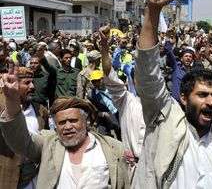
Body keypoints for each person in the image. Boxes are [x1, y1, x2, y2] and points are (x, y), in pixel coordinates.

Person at [132, 0, 212, 189]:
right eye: (202, 95)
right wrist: (153, 11)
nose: (210, 102)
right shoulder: (165, 122)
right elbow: (147, 71)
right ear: (183, 98)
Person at [0, 61, 130, 188]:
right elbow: (20, 140)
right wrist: (12, 101)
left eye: (73, 121)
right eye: (62, 123)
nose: (68, 127)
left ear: (86, 121)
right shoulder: (48, 144)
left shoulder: (112, 149)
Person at [99, 25, 146, 181]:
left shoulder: (164, 105)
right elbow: (108, 73)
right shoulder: (127, 101)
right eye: (140, 78)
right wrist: (104, 45)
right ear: (133, 81)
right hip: (131, 172)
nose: (145, 82)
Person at [0, 67, 49, 189]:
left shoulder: (41, 111)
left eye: (33, 82)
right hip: (7, 176)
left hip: (34, 178)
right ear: (14, 84)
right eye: (27, 83)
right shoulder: (2, 108)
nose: (32, 86)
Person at [87, 70, 121, 138]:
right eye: (94, 81)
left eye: (98, 80)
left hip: (119, 114)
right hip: (105, 119)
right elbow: (93, 112)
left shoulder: (112, 87)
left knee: (122, 137)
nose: (96, 83)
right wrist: (103, 114)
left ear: (103, 79)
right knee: (103, 139)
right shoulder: (91, 95)